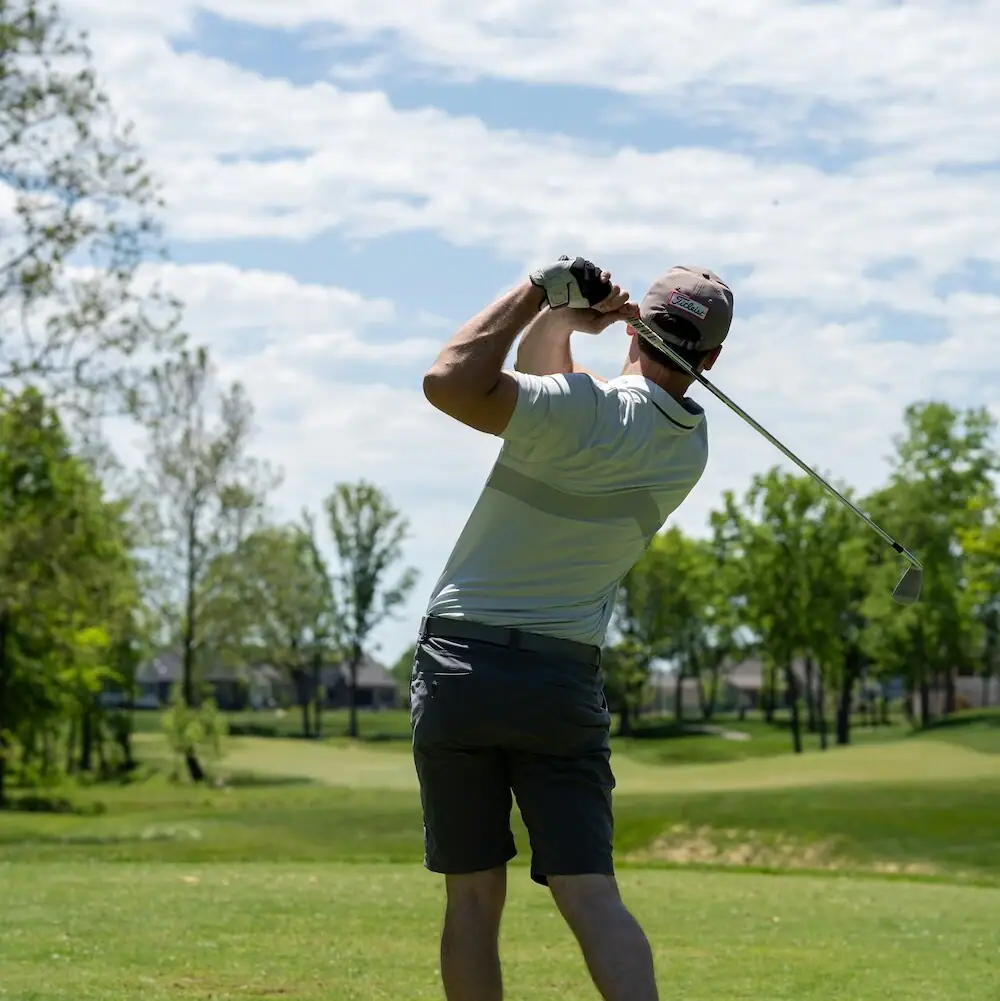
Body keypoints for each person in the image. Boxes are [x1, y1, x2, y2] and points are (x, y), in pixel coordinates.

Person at [413, 255, 734, 1001]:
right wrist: (562, 321)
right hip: (561, 683)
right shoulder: (688, 448)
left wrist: (539, 290)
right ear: (711, 359)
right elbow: (556, 389)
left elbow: (448, 381)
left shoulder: (576, 409)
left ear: (636, 326)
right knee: (591, 893)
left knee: (473, 898)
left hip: (463, 666)